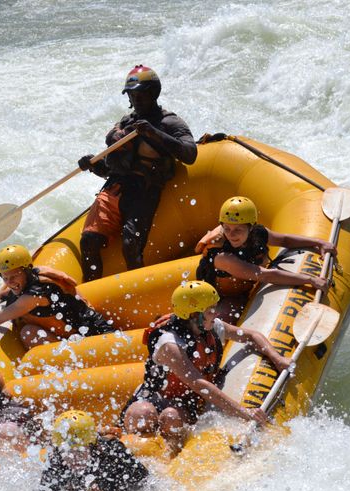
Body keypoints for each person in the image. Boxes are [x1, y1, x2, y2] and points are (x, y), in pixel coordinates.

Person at [121, 281, 292, 455]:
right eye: (210, 310)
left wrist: (277, 358)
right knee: (140, 414)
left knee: (170, 416)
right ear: (194, 315)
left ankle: (172, 456)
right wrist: (244, 412)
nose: (216, 313)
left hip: (184, 402)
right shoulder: (169, 344)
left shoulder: (213, 327)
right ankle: (144, 457)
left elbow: (251, 335)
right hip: (155, 396)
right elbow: (198, 383)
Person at [77, 65, 198, 281]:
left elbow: (190, 154)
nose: (136, 99)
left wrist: (154, 133)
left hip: (144, 192)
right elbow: (109, 168)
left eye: (140, 94)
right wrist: (92, 165)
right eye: (132, 95)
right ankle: (87, 293)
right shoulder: (125, 124)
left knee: (130, 244)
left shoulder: (169, 122)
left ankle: (138, 288)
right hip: (115, 189)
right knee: (88, 242)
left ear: (153, 93)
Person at [195, 196, 336, 322]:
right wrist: (310, 279)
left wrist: (319, 243)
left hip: (242, 288)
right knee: (222, 319)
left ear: (250, 228)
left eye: (238, 229)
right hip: (221, 297)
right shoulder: (223, 257)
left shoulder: (258, 233)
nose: (231, 235)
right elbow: (265, 275)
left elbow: (285, 240)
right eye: (227, 229)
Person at [0, 244, 114, 349]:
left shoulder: (36, 294)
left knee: (28, 333)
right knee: (29, 332)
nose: (10, 282)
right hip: (75, 335)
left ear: (26, 271)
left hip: (96, 334)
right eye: (5, 278)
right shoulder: (30, 278)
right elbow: (12, 291)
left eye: (14, 276)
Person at [39, 410, 149, 491]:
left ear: (93, 447)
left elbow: (144, 480)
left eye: (80, 451)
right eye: (67, 452)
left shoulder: (112, 452)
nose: (75, 458)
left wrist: (107, 488)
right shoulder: (56, 462)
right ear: (59, 450)